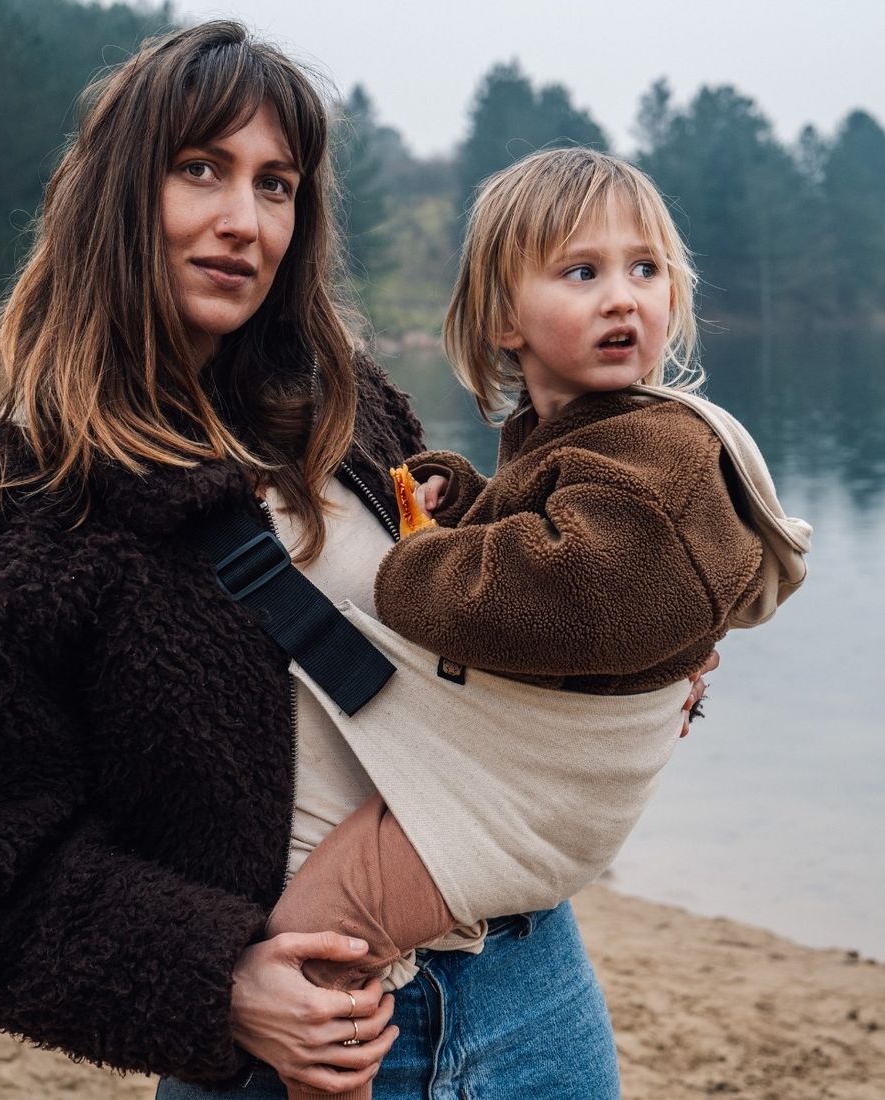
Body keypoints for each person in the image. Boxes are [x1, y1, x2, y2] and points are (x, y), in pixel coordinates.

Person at [0, 24, 710, 1100]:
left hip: (534, 993)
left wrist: (626, 659)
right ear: (119, 191)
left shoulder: (350, 410)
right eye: (200, 169)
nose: (240, 220)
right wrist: (218, 982)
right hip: (303, 1041)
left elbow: (469, 644)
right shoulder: (15, 492)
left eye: (276, 184)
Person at [264, 148, 810, 1100]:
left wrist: (418, 561)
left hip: (535, 793)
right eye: (581, 271)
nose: (622, 298)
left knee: (324, 920)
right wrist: (466, 505)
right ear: (501, 321)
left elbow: (578, 595)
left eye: (646, 270)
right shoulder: (571, 440)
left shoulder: (659, 446)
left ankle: (328, 1072)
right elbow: (544, 546)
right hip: (515, 779)